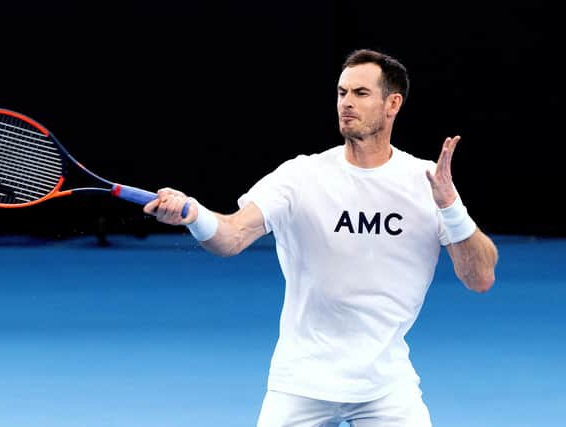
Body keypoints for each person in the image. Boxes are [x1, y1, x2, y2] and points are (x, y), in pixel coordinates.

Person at [143, 48, 499, 427]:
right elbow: (232, 236)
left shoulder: (426, 181)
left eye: (360, 93)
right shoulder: (301, 176)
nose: (346, 103)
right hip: (301, 383)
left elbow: (480, 279)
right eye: (342, 93)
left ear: (392, 103)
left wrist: (450, 207)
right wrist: (195, 214)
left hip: (386, 386)